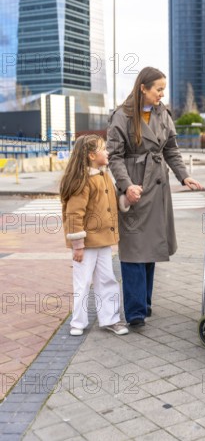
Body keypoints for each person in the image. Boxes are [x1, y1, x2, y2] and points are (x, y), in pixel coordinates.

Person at [107, 66, 203, 327]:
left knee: (149, 248)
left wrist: (184, 176)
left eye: (163, 89)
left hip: (158, 185)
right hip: (135, 185)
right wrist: (126, 185)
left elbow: (172, 149)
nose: (162, 93)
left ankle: (144, 304)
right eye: (158, 89)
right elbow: (114, 157)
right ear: (143, 89)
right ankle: (136, 312)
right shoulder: (122, 115)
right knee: (134, 249)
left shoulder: (163, 113)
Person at [60, 134, 129, 337]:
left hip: (103, 241)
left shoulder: (104, 176)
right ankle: (78, 322)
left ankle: (110, 319)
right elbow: (74, 214)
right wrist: (78, 245)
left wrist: (127, 201)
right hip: (86, 244)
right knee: (82, 283)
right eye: (103, 149)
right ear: (91, 155)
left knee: (107, 279)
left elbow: (113, 204)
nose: (107, 152)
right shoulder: (83, 181)